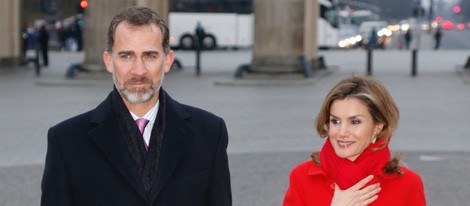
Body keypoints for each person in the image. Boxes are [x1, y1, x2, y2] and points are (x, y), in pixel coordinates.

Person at [41, 6, 232, 205]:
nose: (138, 70)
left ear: (167, 61)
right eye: (126, 56)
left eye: (150, 55)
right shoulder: (66, 141)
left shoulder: (210, 133)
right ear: (108, 61)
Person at [283, 75, 426, 206]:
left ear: (378, 126)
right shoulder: (302, 178)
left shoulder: (408, 184)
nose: (342, 132)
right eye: (336, 121)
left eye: (355, 122)